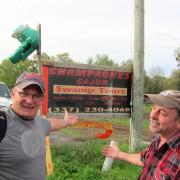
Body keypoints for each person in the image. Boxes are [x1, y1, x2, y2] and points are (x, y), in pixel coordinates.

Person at [0, 72, 79, 180]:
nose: (29, 100)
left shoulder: (39, 122)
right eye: (24, 93)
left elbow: (51, 123)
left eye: (36, 96)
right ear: (13, 93)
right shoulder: (3, 123)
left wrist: (66, 122)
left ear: (42, 99)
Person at [102, 90, 180, 180]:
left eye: (162, 112)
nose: (152, 115)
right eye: (154, 108)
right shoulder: (159, 138)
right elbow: (144, 158)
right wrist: (119, 154)